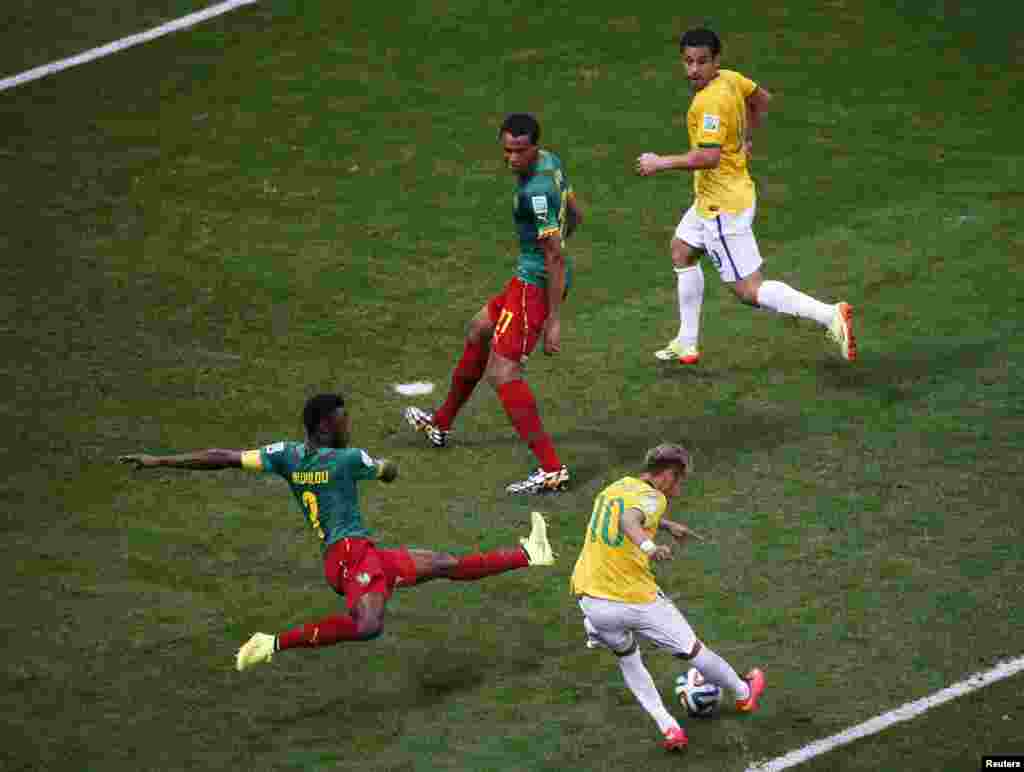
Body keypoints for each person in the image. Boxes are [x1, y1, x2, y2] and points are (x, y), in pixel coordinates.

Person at [119, 393, 555, 671]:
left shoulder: (285, 455)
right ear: (327, 425)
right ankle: (272, 643)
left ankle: (530, 553)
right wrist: (385, 468)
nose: (349, 425)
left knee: (443, 563)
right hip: (350, 558)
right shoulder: (348, 460)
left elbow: (223, 457)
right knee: (368, 626)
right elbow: (387, 471)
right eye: (344, 419)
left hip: (356, 555)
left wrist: (161, 462)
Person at [636, 27, 856, 365]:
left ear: (716, 60)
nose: (694, 70)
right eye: (688, 62)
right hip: (724, 192)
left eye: (702, 62)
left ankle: (830, 315)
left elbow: (707, 157)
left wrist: (658, 162)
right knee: (681, 250)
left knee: (749, 291)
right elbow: (762, 99)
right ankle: (686, 342)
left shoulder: (708, 103)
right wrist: (745, 140)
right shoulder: (730, 79)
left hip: (721, 206)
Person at [404, 113, 584, 495]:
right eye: (507, 150)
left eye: (520, 151)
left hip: (535, 286)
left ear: (534, 146)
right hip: (528, 277)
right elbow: (576, 212)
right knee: (478, 329)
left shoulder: (534, 193)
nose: (512, 158)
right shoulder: (551, 162)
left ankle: (552, 468)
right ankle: (442, 422)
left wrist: (553, 319)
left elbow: (553, 256)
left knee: (503, 372)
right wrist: (558, 240)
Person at [570, 443, 765, 751]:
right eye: (681, 479)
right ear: (669, 475)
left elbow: (623, 513)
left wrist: (666, 525)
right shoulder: (654, 497)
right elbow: (628, 522)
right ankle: (744, 694)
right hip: (634, 598)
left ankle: (670, 729)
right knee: (693, 651)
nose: (681, 486)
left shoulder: (616, 487)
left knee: (629, 660)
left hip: (590, 598)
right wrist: (651, 548)